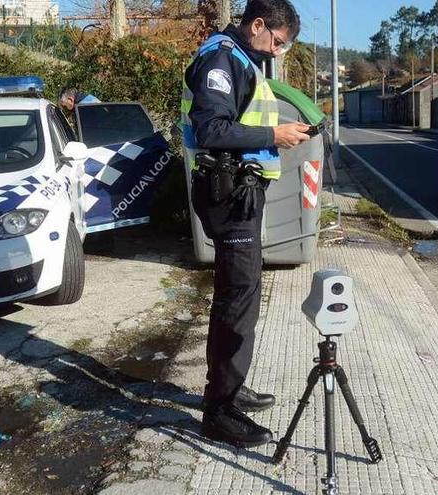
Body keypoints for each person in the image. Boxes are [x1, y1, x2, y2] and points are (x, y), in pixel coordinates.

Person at [180, 0, 310, 448]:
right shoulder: (221, 59)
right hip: (227, 194)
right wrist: (274, 136)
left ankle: (229, 387)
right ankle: (219, 412)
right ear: (257, 25)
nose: (277, 52)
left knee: (240, 294)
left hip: (239, 190)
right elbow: (210, 130)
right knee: (238, 299)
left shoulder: (243, 59)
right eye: (277, 42)